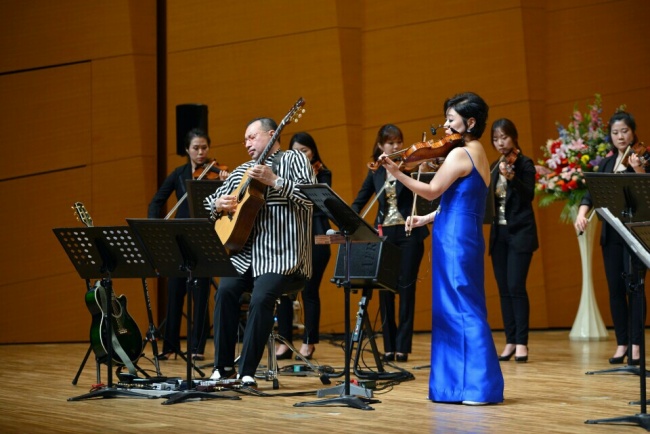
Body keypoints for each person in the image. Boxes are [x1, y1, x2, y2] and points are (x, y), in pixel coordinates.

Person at [380, 92, 504, 405]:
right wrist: (425, 218)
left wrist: (397, 174)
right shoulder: (477, 151)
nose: (445, 126)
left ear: (470, 122)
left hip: (455, 239)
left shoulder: (461, 154)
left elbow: (433, 190)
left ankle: (480, 387)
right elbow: (460, 202)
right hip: (461, 232)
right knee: (457, 307)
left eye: (451, 120)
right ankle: (459, 387)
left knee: (461, 307)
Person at [205, 117, 314, 386]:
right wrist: (219, 204)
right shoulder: (244, 169)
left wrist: (275, 180)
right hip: (246, 256)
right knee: (226, 291)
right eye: (245, 140)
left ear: (272, 134)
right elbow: (210, 203)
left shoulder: (294, 160)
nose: (247, 144)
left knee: (262, 297)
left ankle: (246, 371)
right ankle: (221, 367)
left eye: (252, 137)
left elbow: (311, 199)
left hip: (283, 256)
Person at [574, 110, 649, 365]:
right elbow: (591, 194)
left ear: (633, 131)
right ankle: (622, 344)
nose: (620, 136)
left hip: (635, 232)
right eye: (615, 133)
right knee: (616, 290)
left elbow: (646, 193)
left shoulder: (644, 158)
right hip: (612, 233)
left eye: (625, 131)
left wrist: (639, 170)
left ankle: (637, 345)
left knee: (635, 289)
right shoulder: (606, 164)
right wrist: (582, 214)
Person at [147, 128, 228, 361]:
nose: (201, 152)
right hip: (179, 237)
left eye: (204, 148)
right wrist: (155, 226)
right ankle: (170, 346)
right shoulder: (179, 174)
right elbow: (156, 201)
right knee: (175, 291)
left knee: (200, 292)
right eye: (196, 148)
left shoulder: (218, 173)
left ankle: (197, 348)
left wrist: (227, 183)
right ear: (187, 150)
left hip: (204, 235)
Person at [350, 124, 428, 363]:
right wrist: (348, 222)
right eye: (391, 142)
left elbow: (426, 191)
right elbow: (360, 202)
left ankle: (402, 347)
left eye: (398, 141)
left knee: (406, 289)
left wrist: (420, 169)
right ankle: (389, 345)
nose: (396, 146)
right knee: (384, 291)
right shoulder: (375, 172)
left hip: (408, 235)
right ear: (381, 145)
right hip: (384, 235)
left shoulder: (408, 168)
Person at [275, 132, 332, 360]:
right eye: (296, 151)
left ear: (313, 152)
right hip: (291, 235)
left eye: (305, 151)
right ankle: (285, 341)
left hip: (316, 233)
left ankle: (309, 342)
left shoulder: (323, 173)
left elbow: (320, 204)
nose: (300, 155)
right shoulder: (282, 175)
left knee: (310, 290)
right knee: (284, 291)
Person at [488, 118, 538, 363]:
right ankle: (509, 341)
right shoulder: (494, 166)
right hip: (499, 234)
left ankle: (522, 343)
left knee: (516, 287)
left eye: (504, 137)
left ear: (514, 137)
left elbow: (529, 194)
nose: (500, 143)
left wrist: (512, 179)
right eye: (496, 139)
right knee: (504, 289)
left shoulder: (525, 164)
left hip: (520, 233)